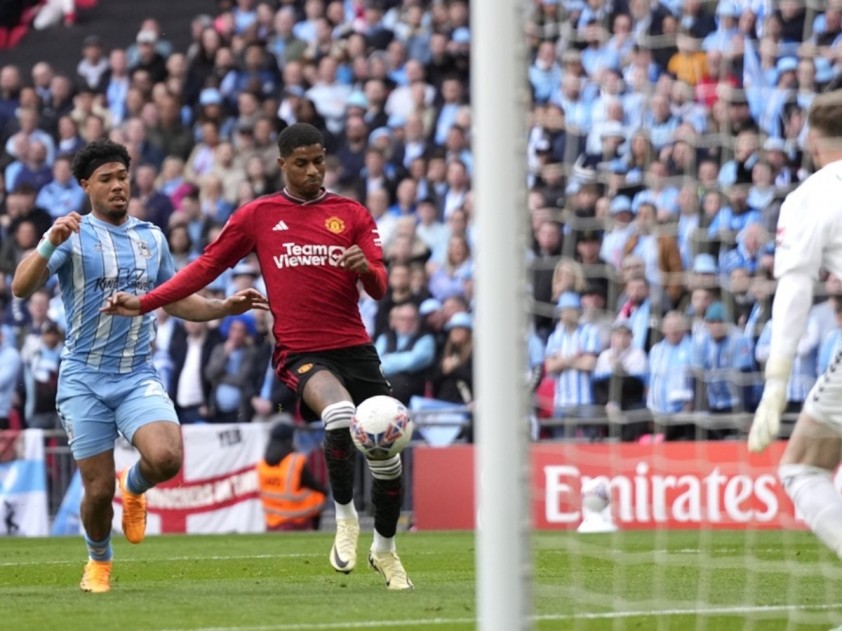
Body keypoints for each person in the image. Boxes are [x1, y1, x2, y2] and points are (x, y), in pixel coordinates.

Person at [102, 123, 414, 590]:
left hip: (356, 348)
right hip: (302, 350)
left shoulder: (351, 214)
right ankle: (346, 519)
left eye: (319, 161)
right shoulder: (259, 216)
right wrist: (145, 301)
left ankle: (385, 551)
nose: (313, 171)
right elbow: (205, 267)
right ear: (282, 164)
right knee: (339, 413)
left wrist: (365, 268)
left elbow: (380, 286)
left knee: (387, 457)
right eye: (302, 163)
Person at [10, 140, 268, 594]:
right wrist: (50, 242)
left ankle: (135, 484)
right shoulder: (72, 236)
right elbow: (19, 287)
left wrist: (223, 307)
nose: (117, 186)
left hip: (135, 375)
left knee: (167, 457)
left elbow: (175, 298)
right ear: (86, 185)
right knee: (94, 491)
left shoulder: (151, 237)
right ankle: (98, 562)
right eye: (106, 179)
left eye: (122, 177)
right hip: (83, 379)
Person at [748, 91, 842, 560]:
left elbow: (794, 291)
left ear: (811, 140)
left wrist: (775, 383)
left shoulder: (813, 195)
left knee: (803, 468)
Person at [257, 421, 327, 532]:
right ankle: (314, 530)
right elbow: (313, 484)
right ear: (289, 439)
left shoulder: (262, 464)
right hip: (294, 516)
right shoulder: (295, 461)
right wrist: (326, 491)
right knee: (320, 496)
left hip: (271, 519)